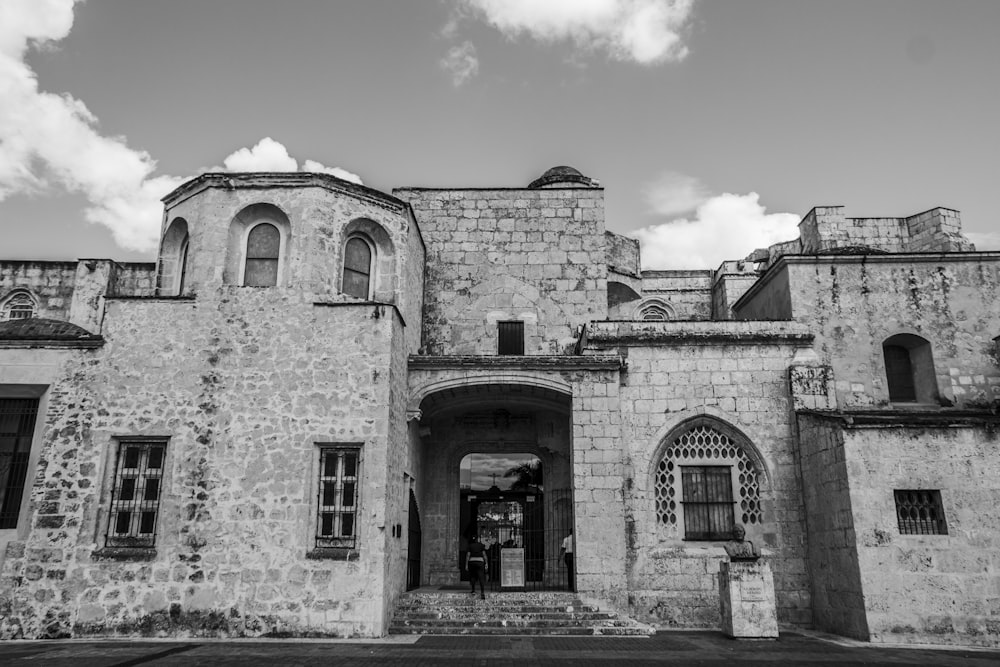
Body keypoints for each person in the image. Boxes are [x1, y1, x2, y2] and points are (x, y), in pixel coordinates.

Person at [466, 534, 488, 599]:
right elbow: (484, 555)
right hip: (480, 562)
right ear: (478, 539)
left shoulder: (470, 546)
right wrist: (486, 563)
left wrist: (466, 565)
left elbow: (468, 555)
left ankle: (473, 590)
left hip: (472, 562)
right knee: (481, 577)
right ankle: (482, 593)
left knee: (473, 576)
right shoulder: (481, 545)